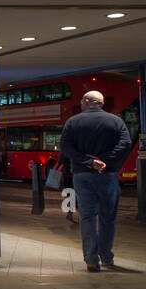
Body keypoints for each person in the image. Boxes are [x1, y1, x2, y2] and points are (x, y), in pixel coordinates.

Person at [59, 91, 132, 272]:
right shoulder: (116, 121)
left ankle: (91, 260)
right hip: (107, 175)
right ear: (101, 103)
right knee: (108, 217)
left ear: (86, 101)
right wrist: (105, 161)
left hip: (82, 175)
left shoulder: (73, 122)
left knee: (87, 216)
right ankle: (106, 256)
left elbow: (66, 147)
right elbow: (125, 144)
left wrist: (89, 162)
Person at [57, 154, 78, 225]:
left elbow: (60, 161)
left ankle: (70, 214)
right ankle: (71, 214)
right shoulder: (75, 150)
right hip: (73, 174)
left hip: (66, 174)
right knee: (75, 195)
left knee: (72, 195)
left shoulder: (65, 150)